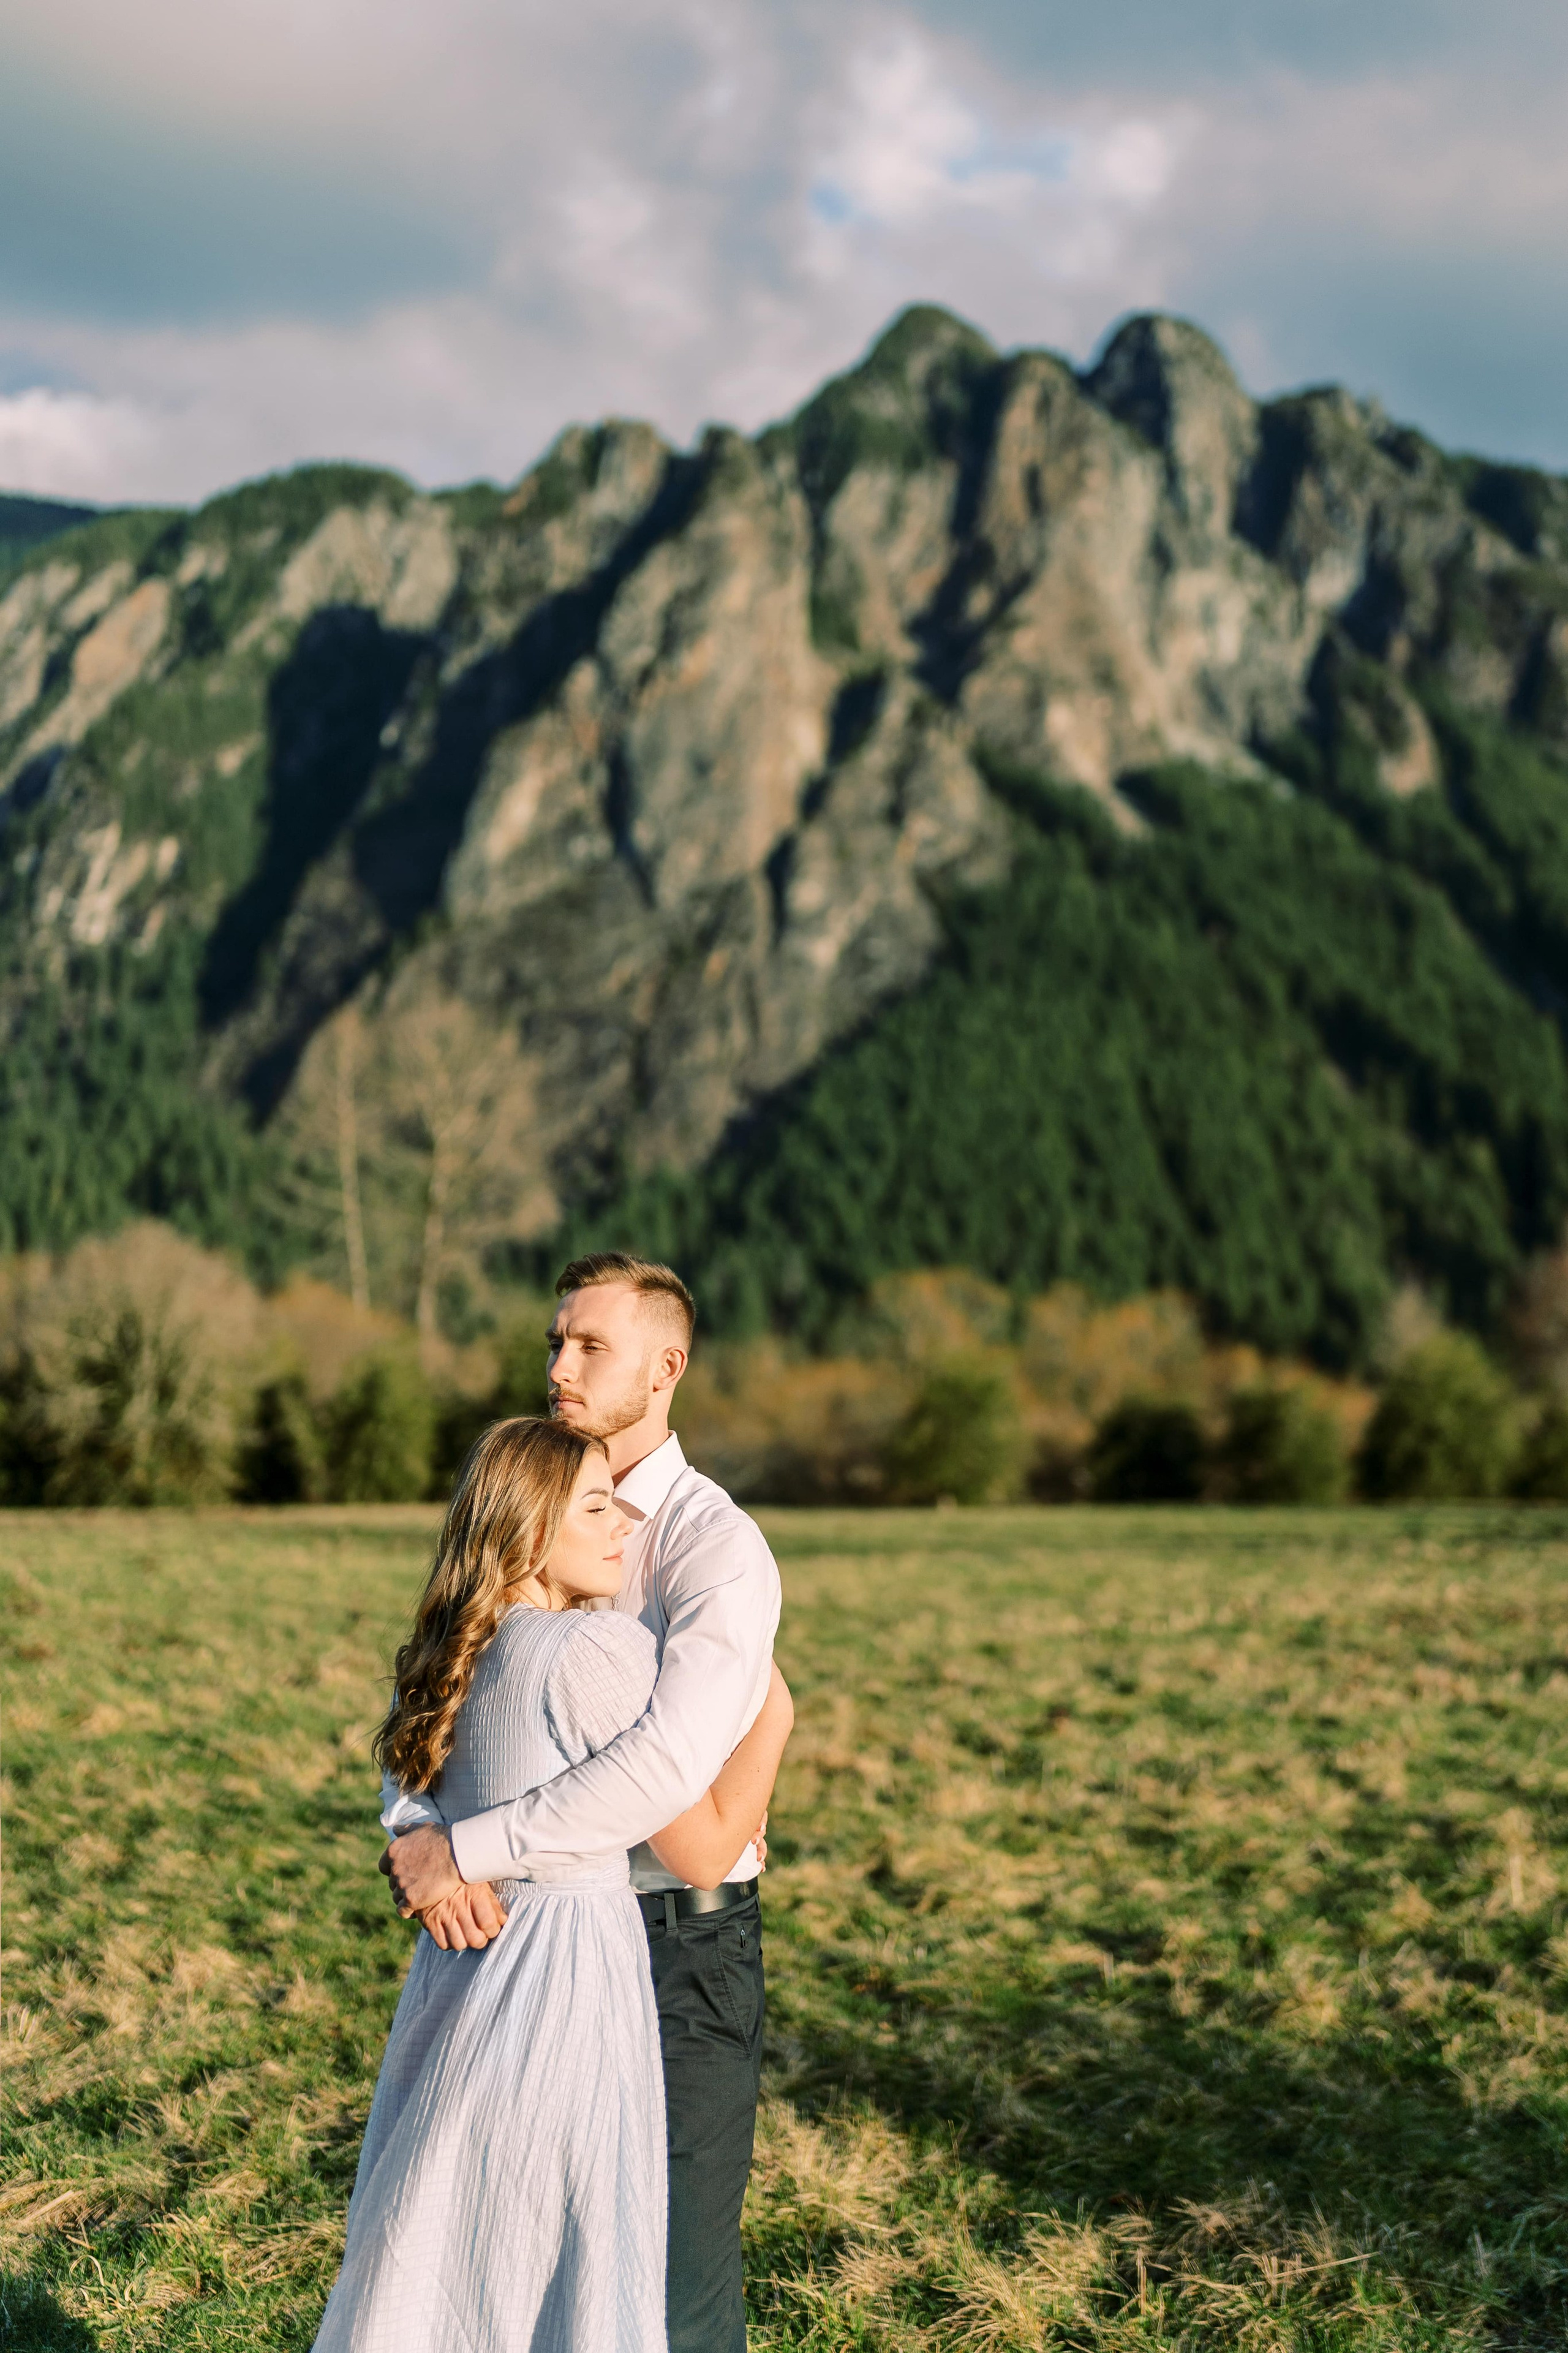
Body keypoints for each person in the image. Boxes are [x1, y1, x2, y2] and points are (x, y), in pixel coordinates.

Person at [317, 1415, 793, 2352]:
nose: (622, 1524)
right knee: (580, 2273)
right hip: (568, 1979)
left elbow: (410, 1777)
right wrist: (774, 1721)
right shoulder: (595, 1653)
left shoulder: (456, 1650)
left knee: (449, 2255)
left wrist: (437, 1839)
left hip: (457, 1984)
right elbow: (699, 1840)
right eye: (594, 1506)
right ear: (532, 1529)